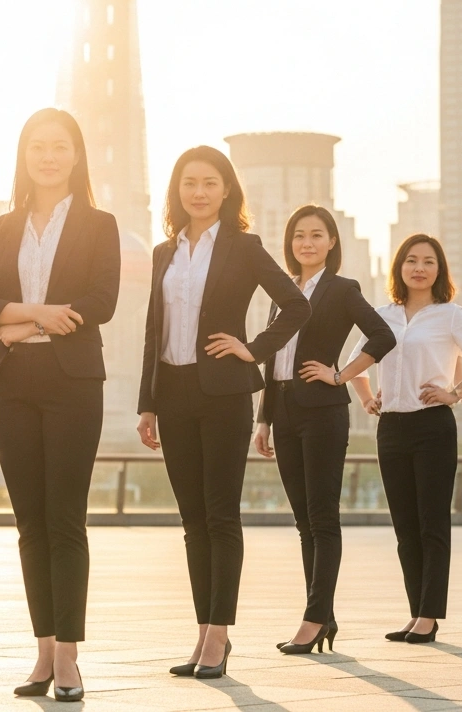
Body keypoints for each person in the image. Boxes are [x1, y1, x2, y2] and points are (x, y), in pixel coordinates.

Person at [136, 146, 312, 679]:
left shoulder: (244, 246)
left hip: (224, 393)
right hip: (173, 392)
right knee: (193, 522)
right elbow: (153, 330)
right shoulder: (164, 253)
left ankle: (219, 636)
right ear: (177, 191)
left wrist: (251, 348)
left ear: (227, 189)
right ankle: (201, 632)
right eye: (189, 182)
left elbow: (297, 303)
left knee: (220, 514)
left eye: (210, 182)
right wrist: (147, 403)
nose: (199, 191)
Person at [0, 108, 120, 702]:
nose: (48, 156)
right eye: (38, 146)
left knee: (65, 520)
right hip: (10, 384)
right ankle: (41, 652)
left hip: (72, 382)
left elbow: (102, 299)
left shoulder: (99, 223)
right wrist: (33, 315)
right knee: (29, 521)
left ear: (76, 155)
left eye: (59, 146)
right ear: (24, 155)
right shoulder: (1, 226)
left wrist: (32, 320)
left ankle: (69, 658)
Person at [253, 205, 395, 654]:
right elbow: (275, 360)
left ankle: (314, 619)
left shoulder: (342, 289)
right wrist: (263, 419)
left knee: (322, 517)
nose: (307, 243)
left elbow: (382, 335)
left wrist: (341, 373)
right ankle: (323, 615)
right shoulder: (284, 292)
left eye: (316, 235)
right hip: (285, 412)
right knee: (303, 522)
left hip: (324, 413)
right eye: (298, 236)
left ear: (332, 242)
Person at [348, 234, 462, 645]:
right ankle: (416, 613)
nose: (419, 268)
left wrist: (455, 391)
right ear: (399, 268)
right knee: (405, 527)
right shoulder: (382, 315)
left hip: (433, 425)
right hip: (391, 428)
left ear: (439, 270)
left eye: (428, 261)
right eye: (411, 260)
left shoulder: (450, 315)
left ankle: (430, 616)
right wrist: (366, 399)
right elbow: (356, 364)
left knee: (432, 524)